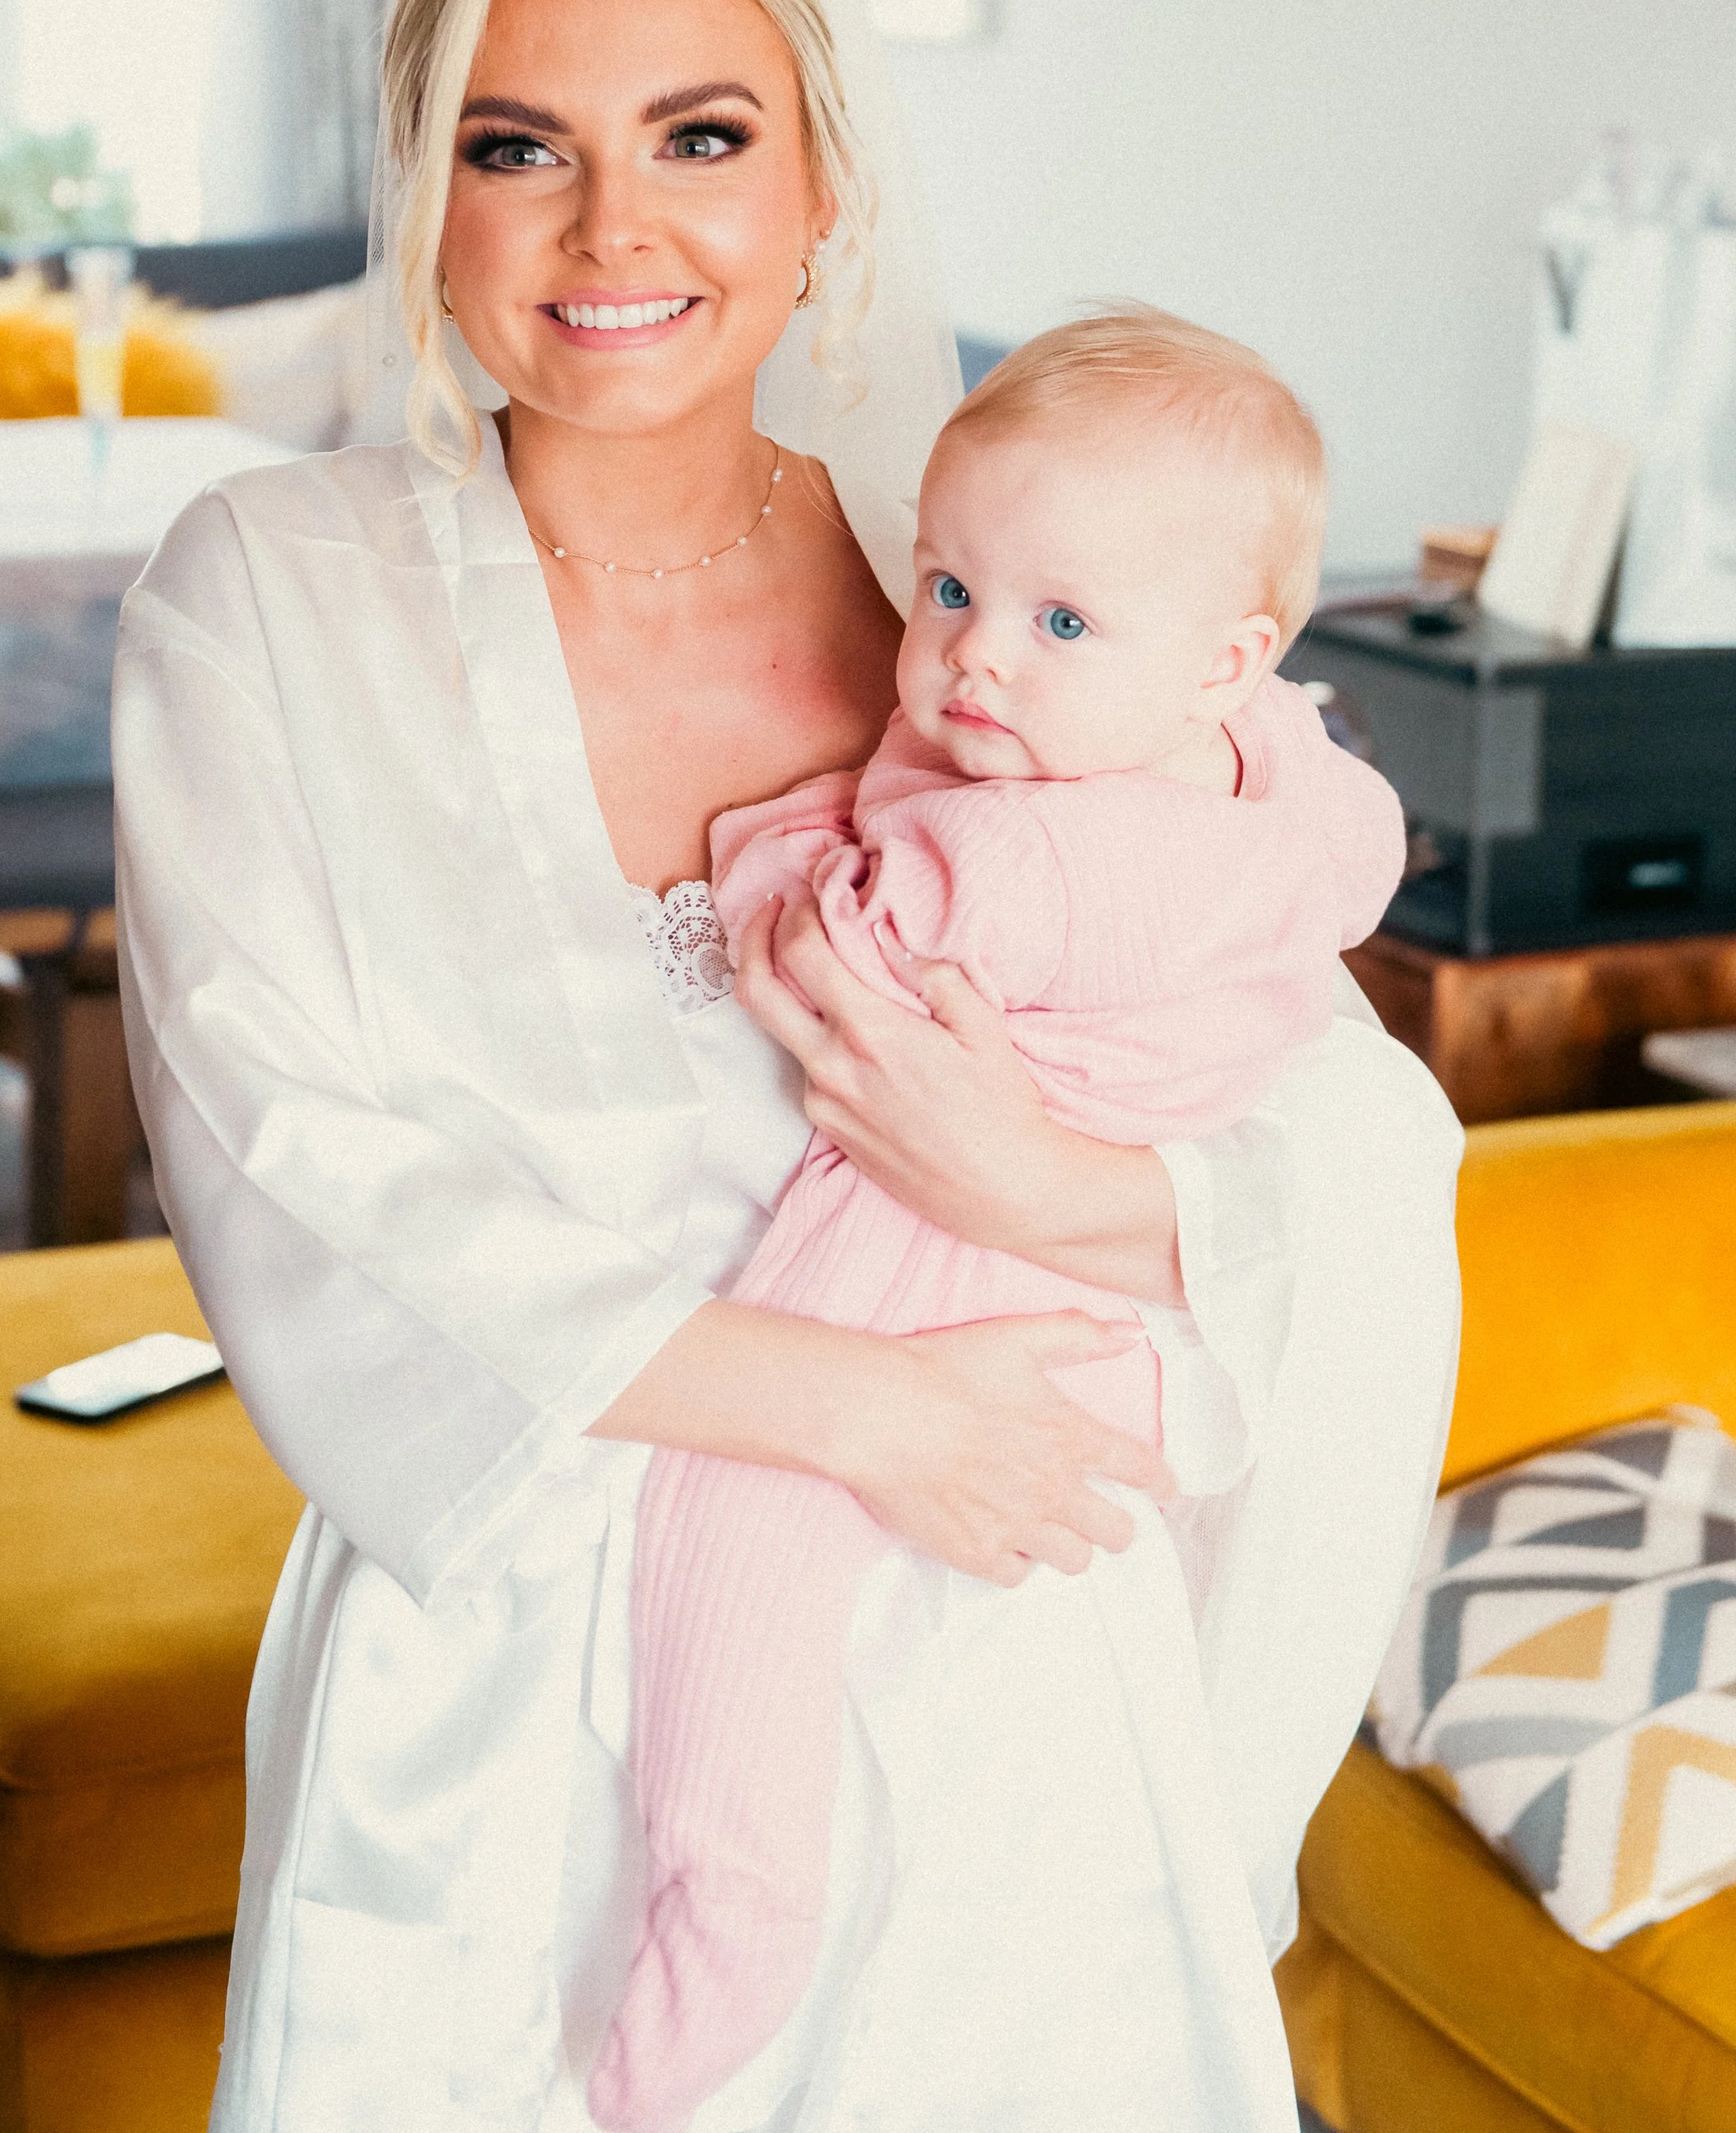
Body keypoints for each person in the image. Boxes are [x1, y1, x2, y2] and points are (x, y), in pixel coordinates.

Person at [113, 0, 1462, 2133]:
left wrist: (1040, 1188)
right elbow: (282, 1159)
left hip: (1000, 1674)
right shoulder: (268, 597)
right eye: (516, 145)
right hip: (500, 1703)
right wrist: (859, 1408)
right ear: (427, 191)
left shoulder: (987, 582)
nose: (611, 226)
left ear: (823, 180)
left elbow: (1323, 1109)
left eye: (701, 135)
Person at [604, 308, 1407, 2130]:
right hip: (1103, 1296)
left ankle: (734, 1889)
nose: (970, 656)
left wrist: (773, 840)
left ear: (1224, 658)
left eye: (1059, 623)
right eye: (950, 585)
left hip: (944, 1246)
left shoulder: (1026, 853)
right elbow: (1347, 848)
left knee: (729, 1507)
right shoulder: (1280, 774)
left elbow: (827, 949)